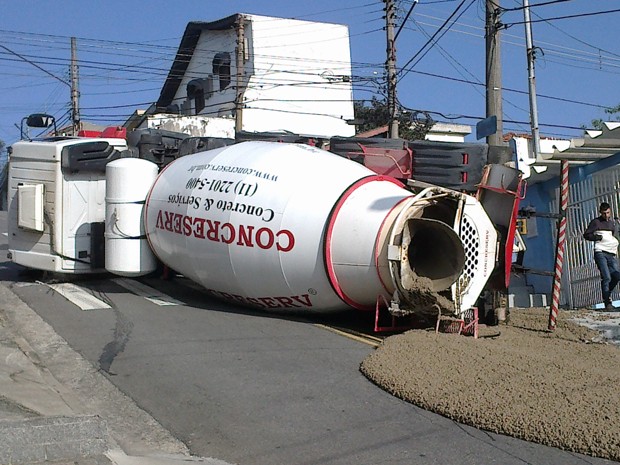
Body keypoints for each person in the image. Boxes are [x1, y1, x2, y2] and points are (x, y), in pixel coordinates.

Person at [583, 202, 620, 311]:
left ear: (610, 211)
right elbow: (586, 235)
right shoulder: (596, 222)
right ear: (600, 212)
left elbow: (614, 235)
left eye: (608, 213)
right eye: (604, 213)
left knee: (616, 276)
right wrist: (596, 237)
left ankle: (607, 292)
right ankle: (607, 302)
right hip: (600, 252)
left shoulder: (612, 223)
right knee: (607, 277)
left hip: (611, 253)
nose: (606, 215)